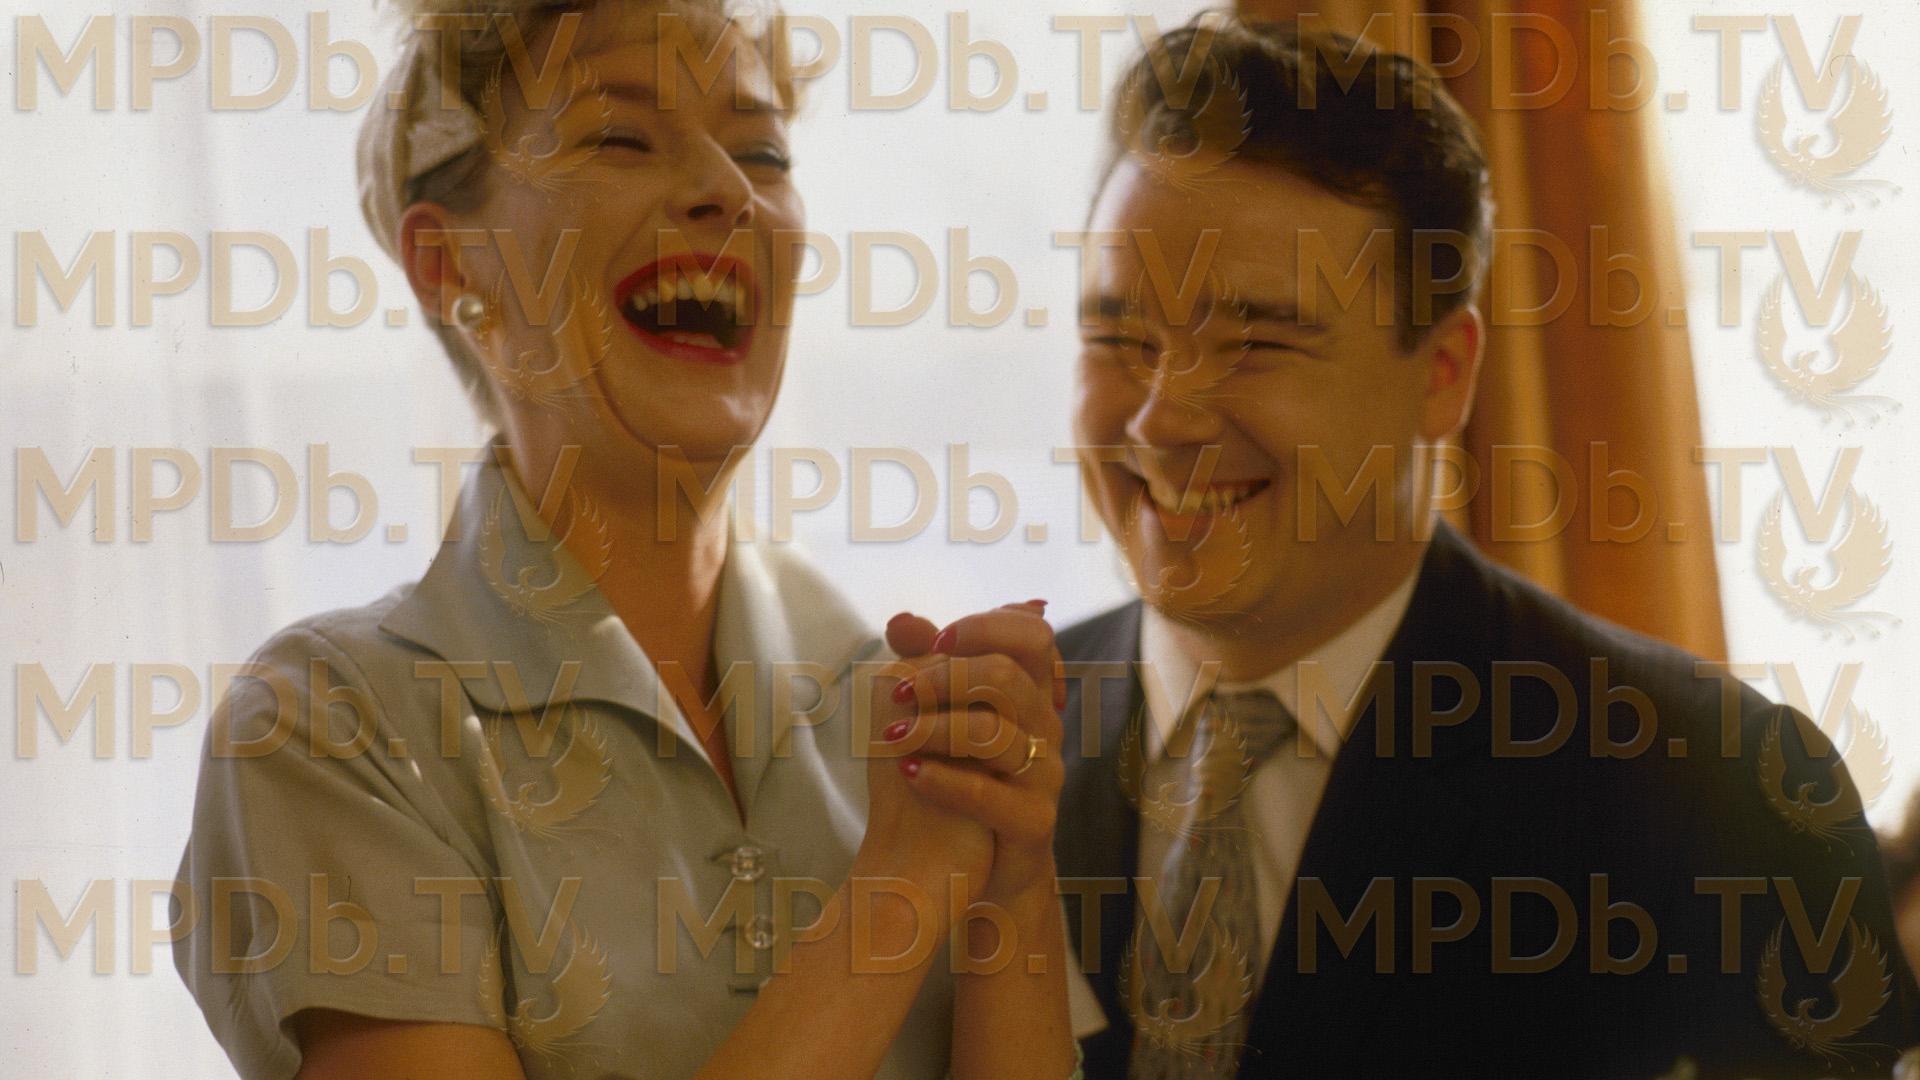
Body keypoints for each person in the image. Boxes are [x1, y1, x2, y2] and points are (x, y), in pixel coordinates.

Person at [170, 3, 1081, 1078]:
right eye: (620, 137)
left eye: (762, 153)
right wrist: (896, 896)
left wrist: (1016, 879)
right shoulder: (327, 730)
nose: (727, 190)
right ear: (449, 263)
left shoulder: (902, 708)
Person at [1052, 16, 1920, 1078]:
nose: (1159, 421)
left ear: (1444, 374)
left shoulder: (1725, 798)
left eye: (1253, 343)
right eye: (1119, 339)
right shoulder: (977, 755)